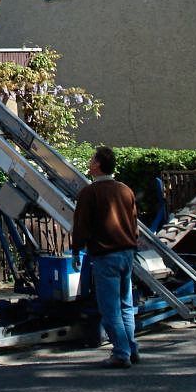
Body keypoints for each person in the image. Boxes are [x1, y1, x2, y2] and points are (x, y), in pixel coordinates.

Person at [71, 145, 139, 369]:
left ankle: (121, 353)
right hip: (127, 253)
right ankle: (131, 348)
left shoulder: (90, 193)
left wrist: (76, 250)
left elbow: (81, 226)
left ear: (98, 165)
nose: (89, 162)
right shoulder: (125, 190)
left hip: (105, 255)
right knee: (126, 305)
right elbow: (134, 223)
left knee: (110, 310)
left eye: (92, 159)